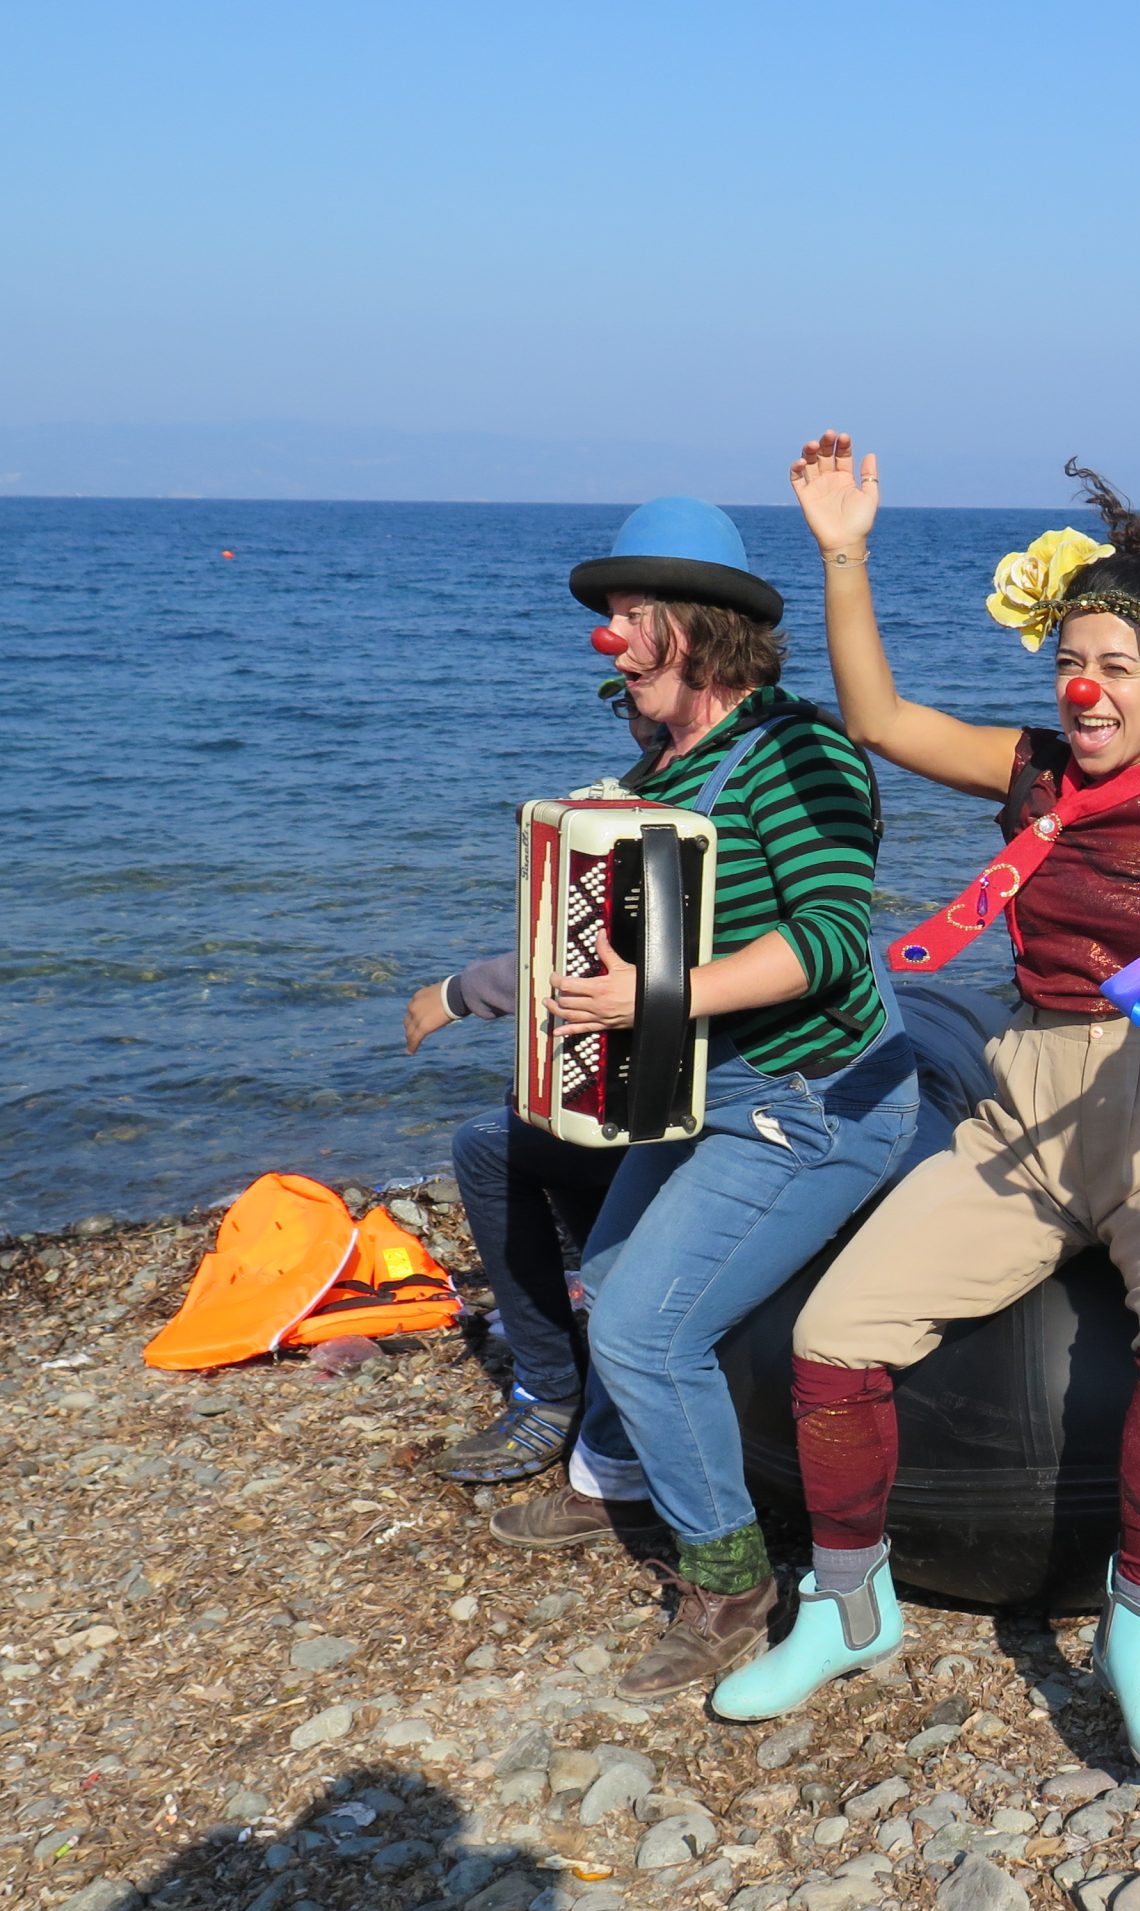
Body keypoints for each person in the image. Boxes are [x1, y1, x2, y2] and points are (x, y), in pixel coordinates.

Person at [709, 433, 1140, 1778]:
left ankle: (1138, 1630)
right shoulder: (1030, 770)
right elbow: (882, 721)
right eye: (1072, 661)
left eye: (1120, 667)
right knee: (839, 1334)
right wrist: (843, 556)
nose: (1084, 689)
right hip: (1024, 1114)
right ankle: (851, 1604)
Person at [486, 496, 923, 1705]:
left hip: (816, 1100)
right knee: (609, 1285)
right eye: (609, 617)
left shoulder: (802, 755)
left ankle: (731, 1587)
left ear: (696, 627)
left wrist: (657, 996)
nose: (608, 639)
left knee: (639, 1329)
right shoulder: (659, 768)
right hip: (705, 1086)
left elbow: (832, 939)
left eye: (631, 616)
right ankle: (619, 1485)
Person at [402, 681, 666, 1486]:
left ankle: (554, 1391)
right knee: (532, 1134)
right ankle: (584, 1355)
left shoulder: (652, 808)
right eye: (623, 704)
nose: (633, 719)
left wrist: (454, 994)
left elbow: (573, 966)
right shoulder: (721, 781)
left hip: (714, 1104)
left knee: (495, 1146)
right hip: (692, 1085)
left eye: (635, 701)